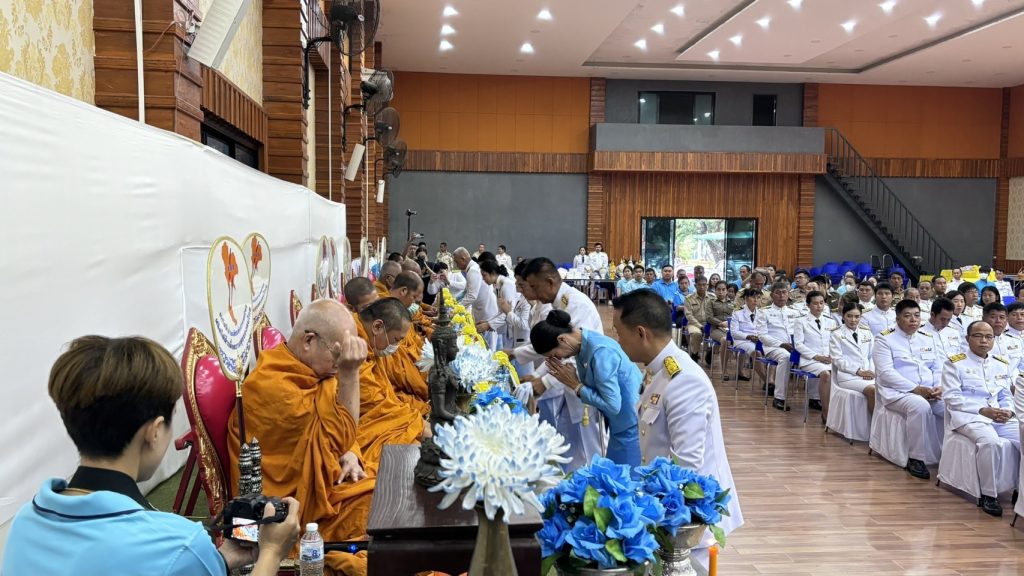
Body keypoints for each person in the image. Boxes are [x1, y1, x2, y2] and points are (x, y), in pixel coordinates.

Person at [2, 336, 301, 576]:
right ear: (154, 431)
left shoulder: (26, 522)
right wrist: (271, 553)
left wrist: (217, 562)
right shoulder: (178, 544)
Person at [228, 299, 374, 575]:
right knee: (377, 510)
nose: (341, 361)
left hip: (325, 477)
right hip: (295, 509)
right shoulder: (275, 389)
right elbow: (337, 435)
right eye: (338, 353)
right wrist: (350, 373)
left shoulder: (309, 370)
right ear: (309, 341)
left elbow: (335, 432)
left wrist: (350, 451)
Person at [611, 289, 744, 567]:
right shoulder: (659, 370)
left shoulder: (683, 380)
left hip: (689, 517)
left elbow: (687, 466)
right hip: (666, 505)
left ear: (641, 333)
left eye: (619, 333)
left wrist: (659, 514)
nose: (617, 341)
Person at [512, 257, 606, 471]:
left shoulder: (576, 304)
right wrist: (538, 376)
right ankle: (569, 486)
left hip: (585, 386)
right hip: (568, 386)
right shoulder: (558, 304)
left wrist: (545, 382)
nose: (532, 292)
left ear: (550, 282)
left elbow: (574, 353)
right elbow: (554, 351)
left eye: (534, 286)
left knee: (590, 451)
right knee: (567, 447)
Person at [531, 309, 642, 466]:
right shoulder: (582, 344)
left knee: (625, 477)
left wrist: (576, 385)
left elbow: (613, 405)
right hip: (619, 425)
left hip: (630, 425)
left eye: (555, 355)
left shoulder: (599, 353)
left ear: (562, 339)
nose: (559, 359)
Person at [941, 320, 1019, 517]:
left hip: (998, 416)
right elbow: (952, 398)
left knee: (1022, 437)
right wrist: (982, 410)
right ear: (967, 338)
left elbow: (1005, 395)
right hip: (969, 416)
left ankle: (1021, 491)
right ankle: (989, 495)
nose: (984, 341)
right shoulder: (954, 363)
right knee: (990, 443)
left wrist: (1008, 411)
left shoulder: (1000, 363)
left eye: (988, 337)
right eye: (978, 336)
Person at [352, 298, 430, 473]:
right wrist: (415, 421)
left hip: (381, 416)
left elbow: (384, 395)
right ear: (377, 327)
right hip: (358, 430)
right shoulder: (352, 348)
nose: (397, 346)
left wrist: (414, 419)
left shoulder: (370, 345)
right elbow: (372, 402)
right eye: (396, 339)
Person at [873, 299, 944, 479]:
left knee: (950, 406)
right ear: (897, 319)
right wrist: (916, 389)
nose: (913, 320)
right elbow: (886, 373)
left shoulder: (928, 337)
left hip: (930, 391)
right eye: (907, 316)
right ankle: (916, 458)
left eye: (917, 316)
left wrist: (938, 386)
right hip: (897, 393)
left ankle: (949, 455)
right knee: (920, 406)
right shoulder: (884, 339)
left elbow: (938, 367)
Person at [757, 282, 805, 411]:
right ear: (772, 295)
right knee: (786, 357)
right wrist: (781, 344)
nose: (781, 296)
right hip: (773, 347)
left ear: (788, 295)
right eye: (778, 293)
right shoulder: (764, 312)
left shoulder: (795, 312)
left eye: (784, 292)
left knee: (815, 357)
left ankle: (815, 398)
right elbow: (762, 336)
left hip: (795, 346)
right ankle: (779, 398)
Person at [793, 291, 839, 420]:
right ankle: (826, 411)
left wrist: (831, 356)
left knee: (841, 373)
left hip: (828, 359)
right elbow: (798, 345)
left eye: (821, 303)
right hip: (810, 360)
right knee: (826, 374)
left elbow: (835, 343)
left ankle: (837, 411)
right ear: (808, 305)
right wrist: (817, 357)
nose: (819, 306)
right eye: (815, 303)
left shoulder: (830, 321)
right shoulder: (801, 321)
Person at [830, 302, 877, 416]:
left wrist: (870, 372)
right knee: (873, 390)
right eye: (849, 316)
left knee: (886, 390)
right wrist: (859, 371)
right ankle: (876, 425)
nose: (853, 320)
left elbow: (872, 356)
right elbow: (837, 360)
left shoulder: (866, 332)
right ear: (843, 316)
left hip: (868, 375)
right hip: (848, 377)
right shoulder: (836, 334)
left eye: (857, 316)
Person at [723, 288, 763, 382]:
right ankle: (767, 381)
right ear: (746, 298)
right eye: (753, 297)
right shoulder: (737, 312)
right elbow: (734, 332)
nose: (755, 300)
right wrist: (748, 336)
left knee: (773, 351)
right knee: (756, 352)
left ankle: (771, 380)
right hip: (742, 341)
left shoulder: (761, 313)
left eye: (758, 297)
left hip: (758, 340)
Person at [477, 259, 515, 349]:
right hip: (507, 325)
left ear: (493, 273)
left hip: (514, 325)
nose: (483, 279)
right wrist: (488, 321)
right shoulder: (497, 286)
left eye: (484, 275)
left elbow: (509, 312)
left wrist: (488, 325)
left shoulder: (506, 285)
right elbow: (501, 311)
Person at [984, 302, 1023, 378]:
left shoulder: (1016, 341)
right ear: (983, 319)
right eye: (993, 317)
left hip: (1015, 382)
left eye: (1002, 317)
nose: (998, 321)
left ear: (1006, 320)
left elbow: (1021, 367)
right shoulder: (979, 342)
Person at [684, 276, 715, 364]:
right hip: (694, 323)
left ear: (707, 285)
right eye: (699, 285)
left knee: (722, 335)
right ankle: (694, 354)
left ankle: (711, 351)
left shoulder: (713, 297)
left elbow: (716, 312)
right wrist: (700, 326)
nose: (702, 287)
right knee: (696, 334)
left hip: (709, 323)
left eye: (704, 285)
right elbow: (688, 315)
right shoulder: (689, 298)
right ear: (695, 285)